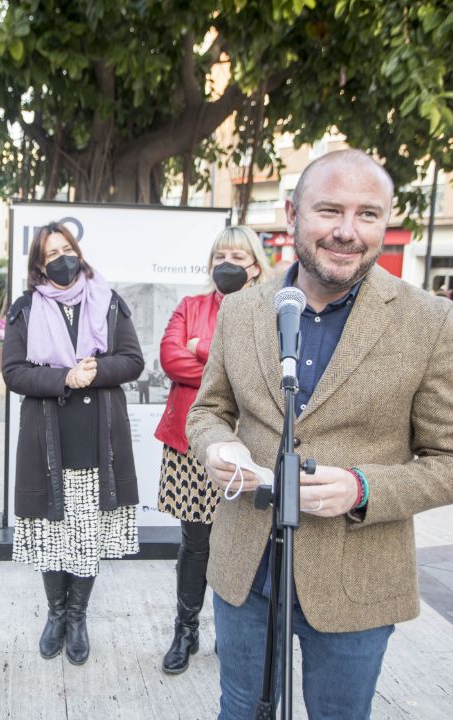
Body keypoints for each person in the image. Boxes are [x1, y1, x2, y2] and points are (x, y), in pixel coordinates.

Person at [186, 149, 453, 720]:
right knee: (240, 710)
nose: (348, 232)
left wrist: (362, 489)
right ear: (293, 216)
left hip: (359, 582)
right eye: (330, 211)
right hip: (245, 569)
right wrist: (216, 445)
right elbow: (208, 411)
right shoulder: (243, 309)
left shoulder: (430, 322)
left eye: (368, 215)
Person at [2, 221, 144, 666]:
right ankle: (56, 614)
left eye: (67, 249)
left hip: (98, 438)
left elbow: (133, 360)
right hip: (47, 441)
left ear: (78, 252)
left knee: (86, 536)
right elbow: (13, 372)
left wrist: (95, 371)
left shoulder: (108, 301)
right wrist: (65, 376)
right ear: (39, 266)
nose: (63, 258)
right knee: (50, 534)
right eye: (51, 254)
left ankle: (78, 617)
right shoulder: (25, 309)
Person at [155, 225, 270, 675]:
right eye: (220, 255)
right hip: (192, 445)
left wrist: (202, 350)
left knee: (245, 543)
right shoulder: (191, 307)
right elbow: (169, 359)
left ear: (256, 266)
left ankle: (233, 632)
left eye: (238, 258)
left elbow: (265, 377)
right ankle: (186, 631)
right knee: (195, 541)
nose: (227, 264)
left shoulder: (271, 312)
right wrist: (223, 364)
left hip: (254, 446)